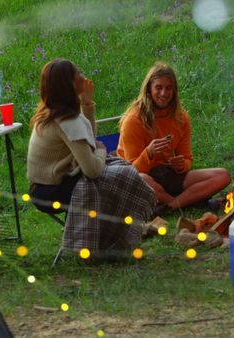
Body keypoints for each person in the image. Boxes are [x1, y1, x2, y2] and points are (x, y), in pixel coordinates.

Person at [27, 58, 156, 257]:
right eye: (78, 73)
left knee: (121, 169)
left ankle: (113, 239)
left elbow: (89, 142)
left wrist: (87, 104)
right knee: (120, 175)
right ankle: (113, 242)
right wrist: (103, 151)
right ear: (69, 84)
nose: (84, 76)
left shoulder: (53, 113)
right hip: (51, 191)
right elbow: (93, 170)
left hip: (43, 187)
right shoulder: (66, 120)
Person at [117, 62, 231, 215]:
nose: (163, 93)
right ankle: (185, 202)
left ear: (174, 91)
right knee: (142, 178)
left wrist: (181, 164)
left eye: (168, 88)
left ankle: (169, 206)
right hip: (144, 179)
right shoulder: (134, 120)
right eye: (158, 87)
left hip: (170, 175)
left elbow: (188, 160)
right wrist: (149, 154)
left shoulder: (181, 117)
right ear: (149, 90)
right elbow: (132, 173)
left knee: (222, 175)